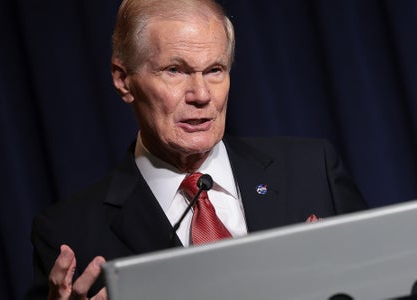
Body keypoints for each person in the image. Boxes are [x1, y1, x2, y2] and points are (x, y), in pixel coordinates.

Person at [26, 0, 367, 299]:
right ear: (123, 79)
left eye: (215, 70)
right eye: (175, 70)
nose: (201, 94)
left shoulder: (313, 170)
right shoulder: (68, 234)